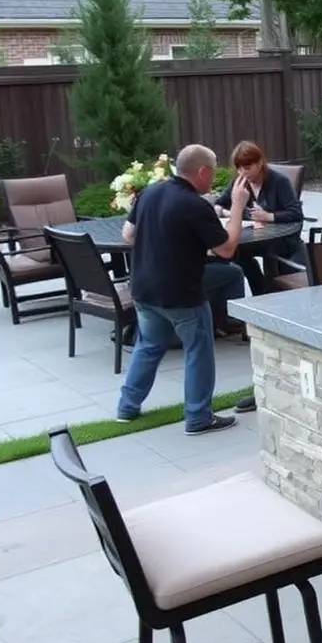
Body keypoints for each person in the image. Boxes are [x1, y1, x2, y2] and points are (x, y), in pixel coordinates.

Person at [118, 144, 248, 435]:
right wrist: (238, 207)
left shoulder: (152, 191)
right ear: (201, 171)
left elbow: (128, 234)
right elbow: (226, 249)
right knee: (198, 350)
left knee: (148, 346)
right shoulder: (194, 205)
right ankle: (199, 417)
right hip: (180, 294)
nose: (213, 178)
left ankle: (127, 407)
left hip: (143, 288)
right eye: (213, 171)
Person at [213, 141, 305, 296]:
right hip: (254, 235)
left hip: (280, 238)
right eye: (239, 168)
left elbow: (296, 213)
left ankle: (270, 291)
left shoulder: (278, 182)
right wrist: (232, 212)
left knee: (269, 253)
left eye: (248, 168)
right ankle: (260, 291)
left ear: (260, 163)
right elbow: (217, 205)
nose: (243, 172)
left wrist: (269, 216)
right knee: (235, 251)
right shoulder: (239, 182)